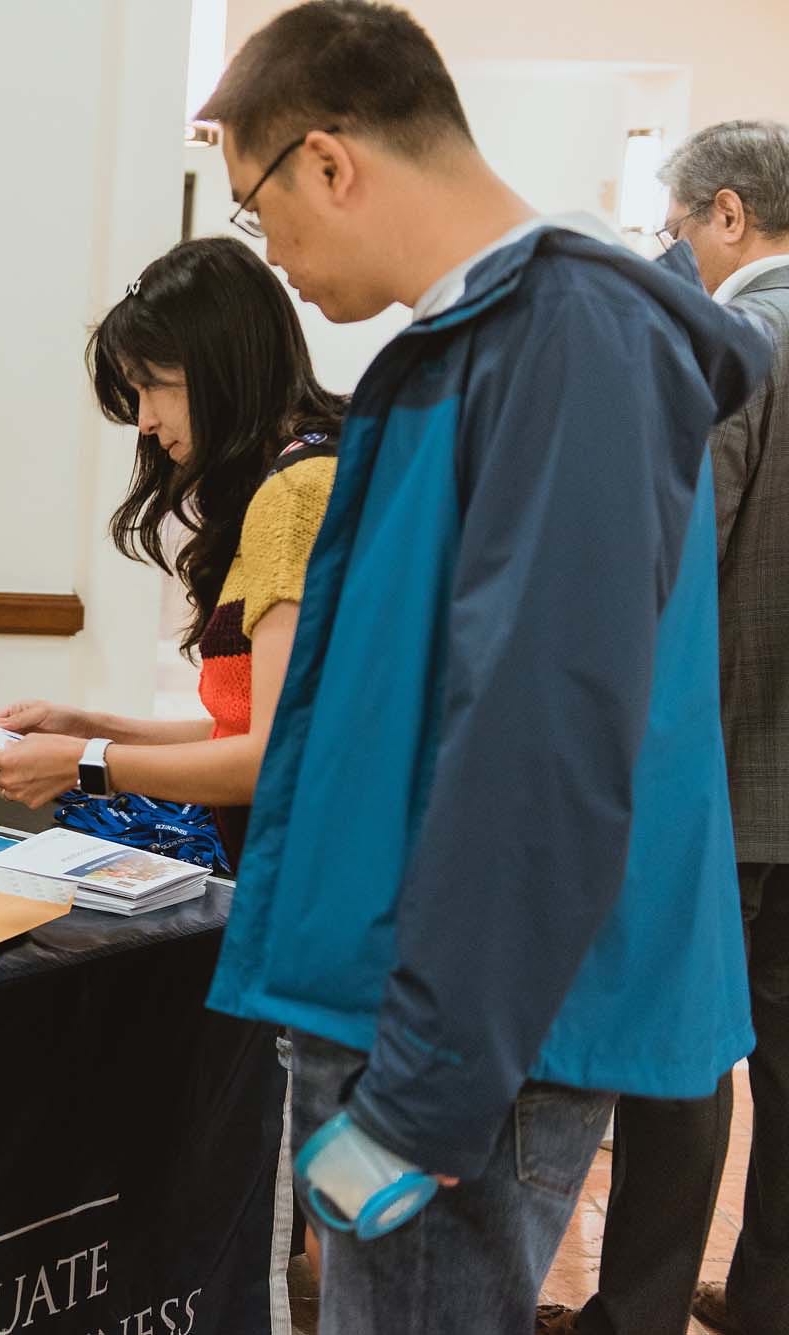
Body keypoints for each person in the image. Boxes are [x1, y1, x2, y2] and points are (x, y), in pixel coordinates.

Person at [188, 5, 771, 1333]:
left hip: (460, 1030)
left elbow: (542, 740)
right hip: (413, 993)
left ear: (327, 161)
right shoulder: (484, 338)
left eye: (257, 210)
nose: (270, 253)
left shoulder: (568, 339)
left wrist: (427, 1086)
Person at [542, 120, 789, 1335]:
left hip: (723, 770)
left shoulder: (728, 345)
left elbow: (669, 567)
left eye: (674, 225)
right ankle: (766, 1302)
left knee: (678, 1059)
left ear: (726, 213)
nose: (668, 250)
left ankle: (631, 1316)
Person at [0, 237, 345, 873]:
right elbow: (240, 729)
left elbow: (275, 756)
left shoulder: (295, 493)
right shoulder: (310, 469)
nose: (145, 421)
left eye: (153, 386)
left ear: (220, 368)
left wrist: (89, 762)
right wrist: (90, 728)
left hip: (313, 871)